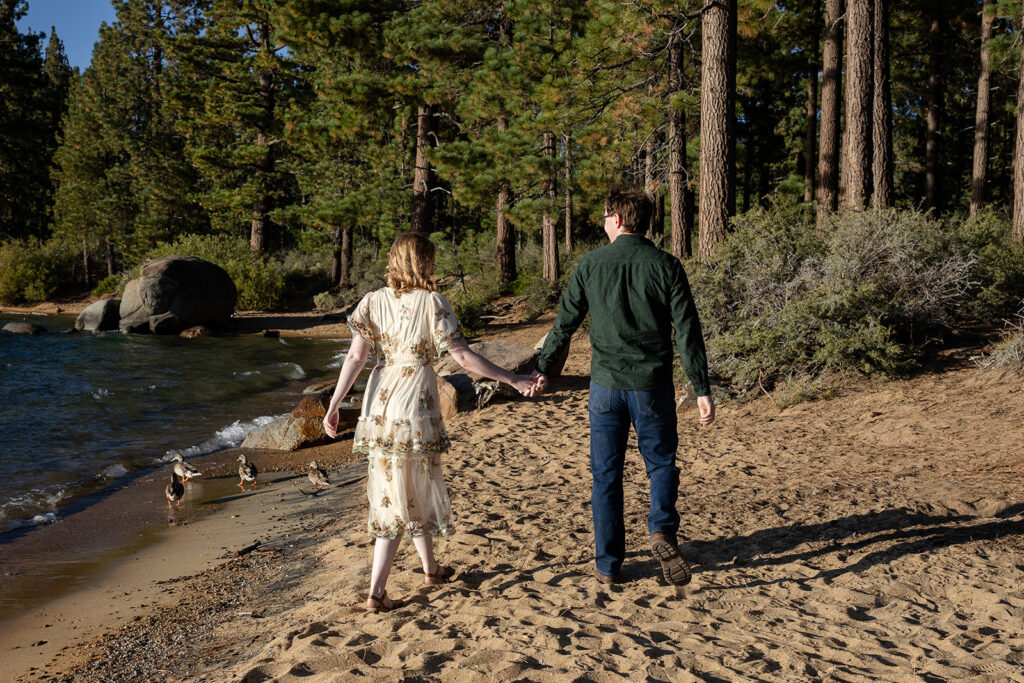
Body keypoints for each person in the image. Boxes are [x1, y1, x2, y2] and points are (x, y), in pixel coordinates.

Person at [323, 233, 538, 612]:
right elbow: (464, 358)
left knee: (405, 483)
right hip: (414, 403)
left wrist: (335, 404)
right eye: (430, 261)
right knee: (397, 494)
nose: (433, 267)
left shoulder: (371, 301)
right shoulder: (432, 302)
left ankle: (430, 569)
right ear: (419, 263)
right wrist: (513, 378)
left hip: (381, 401)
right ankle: (375, 592)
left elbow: (356, 358)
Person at [532, 189, 715, 586]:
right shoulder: (667, 265)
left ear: (616, 219)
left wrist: (544, 369)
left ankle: (607, 565)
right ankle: (662, 529)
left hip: (605, 389)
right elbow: (688, 331)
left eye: (603, 216)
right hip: (652, 387)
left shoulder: (591, 264)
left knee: (606, 475)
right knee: (661, 464)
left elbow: (564, 325)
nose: (602, 222)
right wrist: (701, 387)